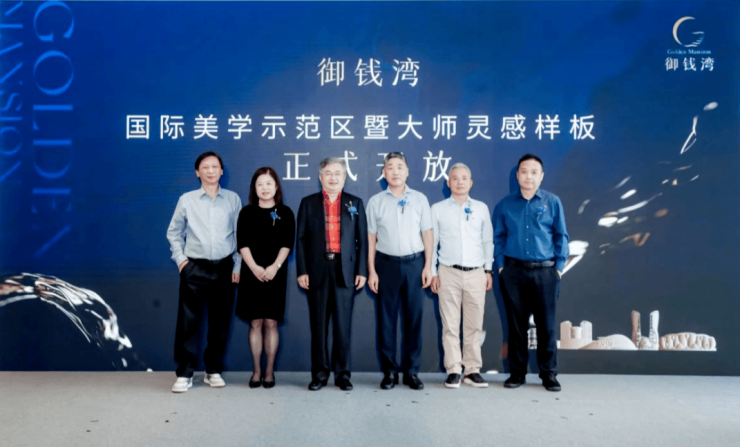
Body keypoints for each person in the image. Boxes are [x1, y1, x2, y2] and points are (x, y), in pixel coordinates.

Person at [166, 151, 241, 393]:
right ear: (197, 172)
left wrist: (237, 265)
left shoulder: (232, 199)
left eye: (215, 167)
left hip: (224, 267)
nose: (210, 171)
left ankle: (213, 370)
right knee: (188, 323)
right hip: (194, 268)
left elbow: (240, 235)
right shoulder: (187, 200)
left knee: (220, 322)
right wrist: (181, 261)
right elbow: (174, 232)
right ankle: (185, 373)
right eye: (205, 167)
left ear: (221, 171)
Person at [493, 154, 569, 392]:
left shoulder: (552, 202)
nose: (529, 176)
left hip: (545, 273)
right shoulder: (505, 204)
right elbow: (498, 237)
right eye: (524, 171)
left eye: (534, 172)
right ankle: (517, 373)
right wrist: (502, 266)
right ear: (517, 175)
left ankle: (549, 374)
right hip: (513, 273)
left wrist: (558, 268)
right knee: (517, 326)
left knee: (546, 325)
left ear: (541, 176)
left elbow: (561, 236)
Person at [296, 158, 368, 391]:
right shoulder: (308, 203)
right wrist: (302, 270)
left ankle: (343, 375)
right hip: (317, 270)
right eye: (328, 173)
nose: (333, 177)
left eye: (338, 173)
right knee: (319, 327)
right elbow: (301, 240)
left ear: (344, 177)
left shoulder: (355, 203)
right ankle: (320, 374)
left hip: (345, 271)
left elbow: (362, 240)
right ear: (320, 177)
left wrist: (362, 271)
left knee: (342, 327)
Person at [367, 152, 433, 390]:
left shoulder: (420, 199)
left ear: (407, 172)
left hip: (415, 264)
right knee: (386, 321)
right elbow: (371, 239)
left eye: (399, 167)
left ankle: (411, 372)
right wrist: (372, 271)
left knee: (414, 319)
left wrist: (428, 266)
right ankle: (389, 372)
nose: (395, 171)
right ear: (384, 173)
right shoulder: (375, 201)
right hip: (386, 265)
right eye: (390, 167)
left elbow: (428, 234)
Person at [430, 163, 494, 389]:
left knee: (474, 325)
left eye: (464, 178)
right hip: (448, 272)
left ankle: (472, 370)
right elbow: (432, 243)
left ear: (471, 182)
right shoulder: (437, 209)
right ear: (448, 183)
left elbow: (487, 241)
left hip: (476, 272)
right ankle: (454, 370)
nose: (459, 182)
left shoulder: (481, 208)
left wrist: (488, 270)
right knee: (449, 325)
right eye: (455, 178)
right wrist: (433, 272)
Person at [236, 167, 294, 389]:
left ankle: (269, 371)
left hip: (275, 273)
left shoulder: (285, 212)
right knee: (255, 322)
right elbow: (242, 243)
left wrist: (274, 267)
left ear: (276, 186)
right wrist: (254, 268)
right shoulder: (246, 212)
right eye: (260, 184)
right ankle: (256, 371)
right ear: (254, 188)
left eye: (269, 183)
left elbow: (287, 243)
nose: (265, 188)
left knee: (271, 322)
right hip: (252, 273)